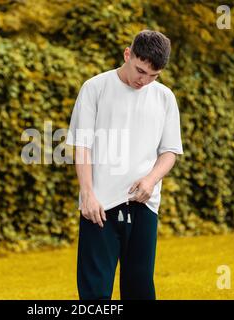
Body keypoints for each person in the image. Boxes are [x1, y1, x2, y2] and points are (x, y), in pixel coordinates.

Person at [65, 30, 184, 300]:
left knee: (140, 289)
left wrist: (151, 180)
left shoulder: (165, 98)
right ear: (127, 54)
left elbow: (169, 152)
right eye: (140, 71)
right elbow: (81, 146)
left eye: (154, 75)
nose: (145, 80)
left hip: (144, 205)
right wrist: (87, 193)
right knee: (95, 292)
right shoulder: (95, 88)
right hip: (99, 207)